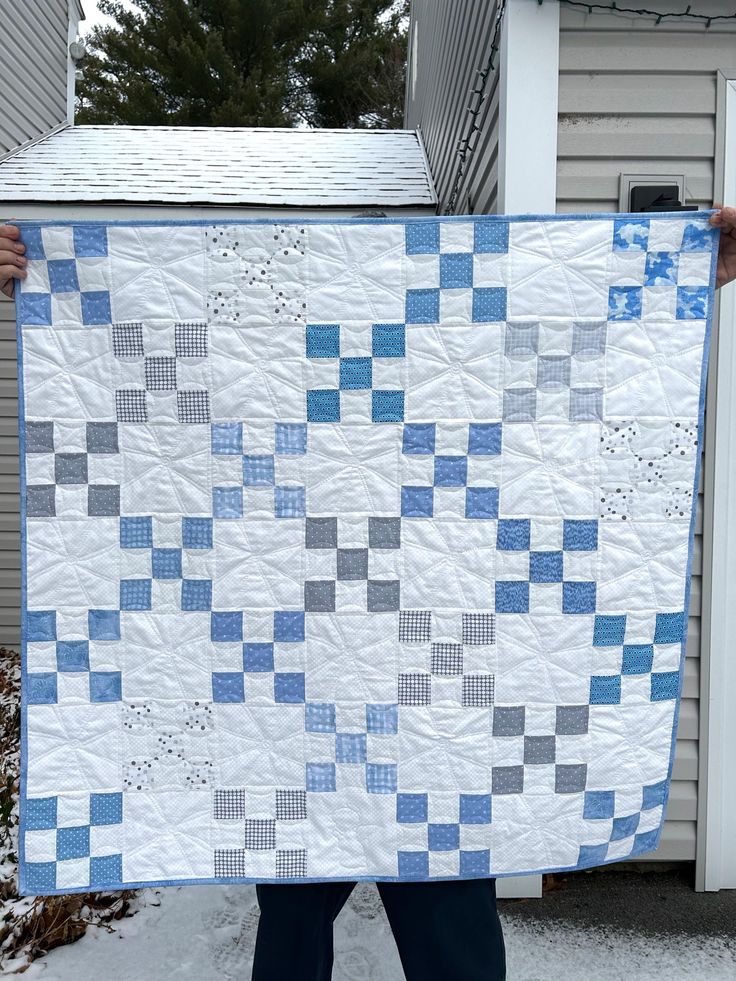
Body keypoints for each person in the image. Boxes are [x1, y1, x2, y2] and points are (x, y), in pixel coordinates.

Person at [1, 204, 734, 981]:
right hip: (293, 713)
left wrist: (689, 266)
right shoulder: (271, 387)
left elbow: (544, 418)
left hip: (434, 719)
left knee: (443, 936)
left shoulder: (457, 369)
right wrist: (44, 282)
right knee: (303, 927)